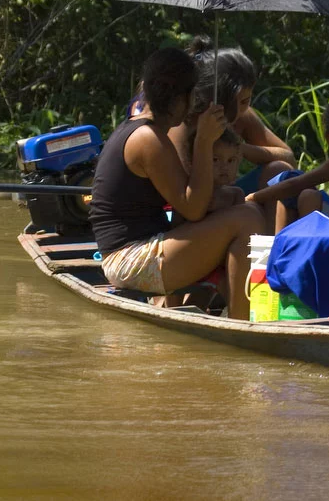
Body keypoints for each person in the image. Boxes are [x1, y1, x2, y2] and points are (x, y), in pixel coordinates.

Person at [88, 48, 264, 320]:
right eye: (192, 96)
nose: (194, 105)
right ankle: (241, 324)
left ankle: (231, 311)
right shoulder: (147, 139)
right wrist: (204, 141)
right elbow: (193, 208)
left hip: (142, 249)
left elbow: (190, 205)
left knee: (240, 204)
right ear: (179, 98)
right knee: (248, 218)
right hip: (129, 260)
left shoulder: (148, 131)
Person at [168, 37, 294, 232]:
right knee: (244, 213)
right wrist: (205, 142)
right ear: (220, 97)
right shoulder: (183, 123)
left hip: (230, 195)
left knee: (279, 170)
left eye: (247, 100)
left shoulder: (242, 115)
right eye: (241, 101)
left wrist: (238, 149)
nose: (245, 108)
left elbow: (288, 157)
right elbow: (184, 200)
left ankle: (272, 245)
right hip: (191, 210)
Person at [245, 91, 329, 232]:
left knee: (304, 191)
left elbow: (294, 184)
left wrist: (253, 197)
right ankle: (286, 240)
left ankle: (280, 241)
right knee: (304, 194)